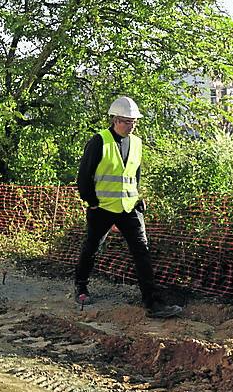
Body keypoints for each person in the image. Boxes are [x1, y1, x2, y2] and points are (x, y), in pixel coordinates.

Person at [73, 96, 182, 319]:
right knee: (92, 247)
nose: (131, 126)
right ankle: (81, 286)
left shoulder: (137, 143)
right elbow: (84, 177)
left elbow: (134, 174)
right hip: (101, 207)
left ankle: (152, 302)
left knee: (142, 251)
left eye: (134, 122)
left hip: (129, 208)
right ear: (115, 120)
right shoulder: (99, 141)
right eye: (126, 121)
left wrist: (137, 197)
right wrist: (92, 202)